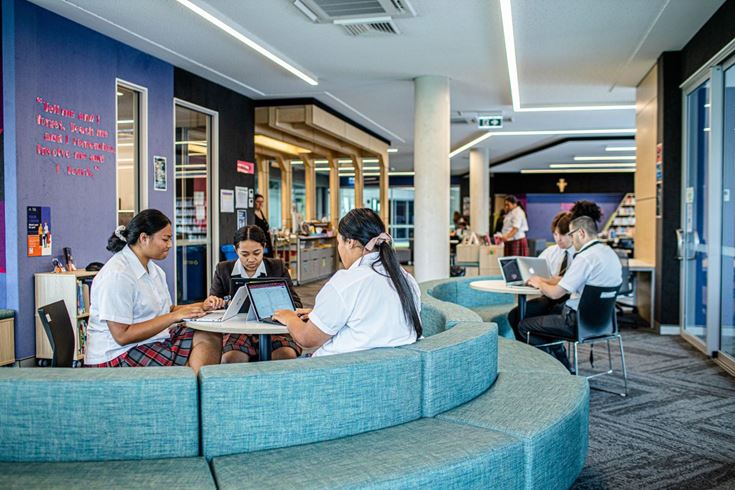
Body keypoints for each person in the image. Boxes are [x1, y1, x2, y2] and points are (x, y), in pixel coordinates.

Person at [85, 209, 222, 374]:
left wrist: (201, 306)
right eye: (165, 239)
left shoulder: (154, 269)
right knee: (192, 357)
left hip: (148, 341)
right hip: (117, 355)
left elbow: (166, 310)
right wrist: (174, 316)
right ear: (143, 238)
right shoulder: (118, 275)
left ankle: (191, 385)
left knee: (209, 335)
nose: (170, 245)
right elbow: (122, 336)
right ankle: (187, 385)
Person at [272, 208, 421, 357]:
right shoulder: (405, 278)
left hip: (338, 367)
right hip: (388, 365)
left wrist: (289, 317)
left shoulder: (346, 282)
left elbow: (307, 338)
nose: (339, 249)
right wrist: (319, 316)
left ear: (350, 242)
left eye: (339, 242)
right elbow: (373, 321)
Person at [519, 214, 622, 371]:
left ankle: (554, 369)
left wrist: (539, 283)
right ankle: (561, 362)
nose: (572, 240)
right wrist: (549, 280)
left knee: (524, 325)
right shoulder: (609, 253)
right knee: (545, 316)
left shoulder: (585, 257)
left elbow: (555, 294)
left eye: (572, 235)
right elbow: (572, 282)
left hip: (575, 322)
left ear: (581, 233)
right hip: (605, 323)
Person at [210, 225, 302, 363]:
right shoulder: (223, 269)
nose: (251, 259)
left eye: (257, 253)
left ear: (264, 247)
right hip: (237, 330)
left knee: (285, 356)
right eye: (245, 254)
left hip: (273, 328)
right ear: (235, 250)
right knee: (231, 360)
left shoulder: (277, 267)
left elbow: (296, 304)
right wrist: (215, 302)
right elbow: (213, 305)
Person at [508, 211, 574, 339]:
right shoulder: (551, 252)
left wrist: (544, 281)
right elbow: (533, 272)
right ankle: (539, 350)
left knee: (538, 320)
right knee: (514, 316)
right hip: (549, 297)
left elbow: (563, 282)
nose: (558, 239)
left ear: (572, 234)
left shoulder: (581, 256)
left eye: (563, 234)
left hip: (569, 301)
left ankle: (552, 349)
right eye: (555, 234)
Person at [253, 193, 274, 258]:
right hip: (259, 242)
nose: (260, 204)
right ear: (254, 202)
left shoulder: (261, 212)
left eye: (262, 202)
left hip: (267, 241)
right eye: (258, 201)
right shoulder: (252, 214)